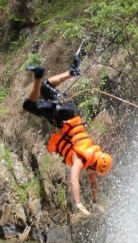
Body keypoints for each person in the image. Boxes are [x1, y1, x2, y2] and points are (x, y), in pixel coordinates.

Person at [22, 53, 112, 216]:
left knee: (44, 87)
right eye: (95, 172)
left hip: (70, 110)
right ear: (95, 165)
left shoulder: (93, 158)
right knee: (29, 105)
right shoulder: (81, 158)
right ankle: (37, 74)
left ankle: (73, 71)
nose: (93, 175)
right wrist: (78, 203)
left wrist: (95, 202)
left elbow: (93, 183)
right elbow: (73, 179)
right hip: (62, 114)